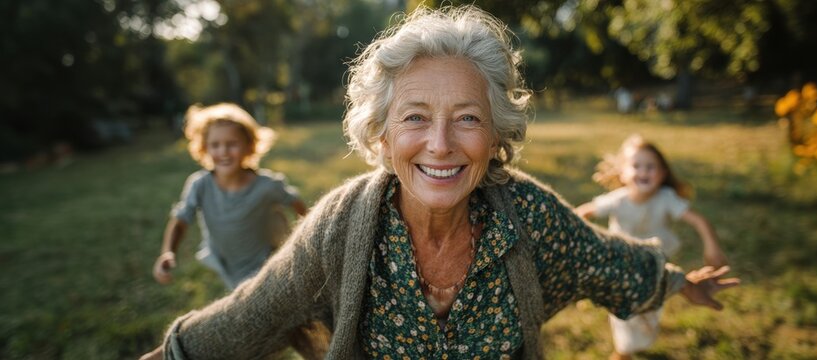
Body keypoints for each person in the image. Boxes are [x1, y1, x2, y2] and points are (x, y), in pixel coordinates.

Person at [141, 6, 738, 359]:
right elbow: (254, 312)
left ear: (497, 134)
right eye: (416, 117)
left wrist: (676, 281)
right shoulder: (343, 225)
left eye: (468, 118)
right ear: (380, 134)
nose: (442, 144)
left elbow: (598, 256)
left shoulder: (527, 215)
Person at [575, 134, 728, 359]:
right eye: (636, 166)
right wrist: (582, 239)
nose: (643, 171)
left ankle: (637, 340)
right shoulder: (618, 199)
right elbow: (582, 213)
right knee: (624, 305)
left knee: (652, 304)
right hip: (623, 261)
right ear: (623, 173)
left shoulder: (666, 197)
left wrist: (712, 247)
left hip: (657, 261)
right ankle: (622, 351)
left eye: (651, 166)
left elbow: (698, 220)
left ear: (662, 173)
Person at [152, 103, 308, 290]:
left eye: (232, 144)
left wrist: (305, 238)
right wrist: (168, 252)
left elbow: (296, 203)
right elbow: (180, 221)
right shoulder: (200, 185)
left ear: (249, 146)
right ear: (204, 148)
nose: (223, 152)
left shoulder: (267, 185)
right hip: (227, 266)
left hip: (268, 263)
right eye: (215, 145)